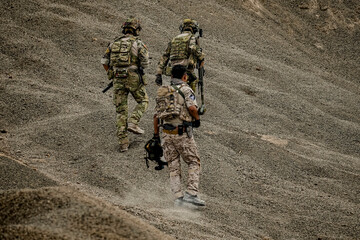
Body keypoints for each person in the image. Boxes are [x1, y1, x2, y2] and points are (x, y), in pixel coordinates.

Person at [153, 65, 205, 206]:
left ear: (171, 77)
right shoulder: (186, 89)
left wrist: (156, 136)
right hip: (182, 133)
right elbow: (193, 108)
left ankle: (178, 198)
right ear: (184, 76)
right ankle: (192, 194)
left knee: (173, 166)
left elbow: (156, 116)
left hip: (166, 133)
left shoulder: (163, 91)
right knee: (194, 161)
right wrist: (197, 120)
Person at [101, 17, 149, 152]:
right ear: (136, 30)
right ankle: (133, 122)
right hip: (133, 78)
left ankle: (123, 143)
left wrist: (112, 73)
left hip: (117, 79)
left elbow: (104, 62)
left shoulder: (113, 43)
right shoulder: (138, 44)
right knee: (143, 101)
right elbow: (145, 63)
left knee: (121, 111)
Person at [155, 19, 205, 92]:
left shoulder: (174, 39)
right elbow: (193, 48)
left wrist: (159, 73)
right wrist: (201, 58)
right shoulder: (191, 37)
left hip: (174, 71)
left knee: (175, 92)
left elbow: (165, 56)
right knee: (189, 90)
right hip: (186, 70)